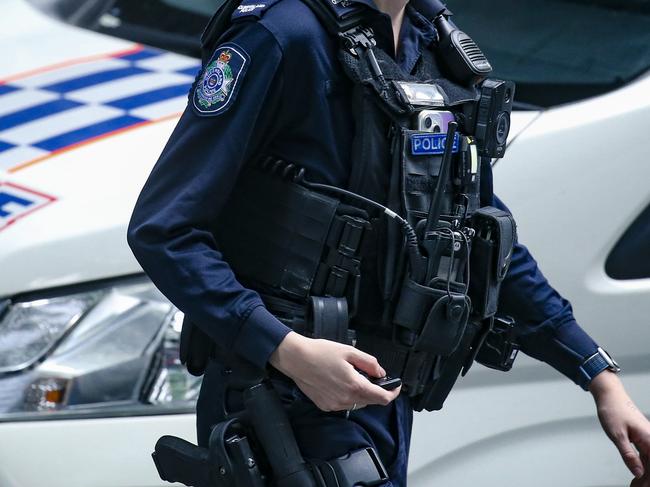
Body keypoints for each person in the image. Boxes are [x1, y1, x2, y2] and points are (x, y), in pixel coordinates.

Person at [126, 0, 650, 485]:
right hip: (280, 404)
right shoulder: (281, 37)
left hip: (384, 403)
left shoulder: (434, 44)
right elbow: (164, 228)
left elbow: (481, 240)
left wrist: (597, 375)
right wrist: (286, 351)